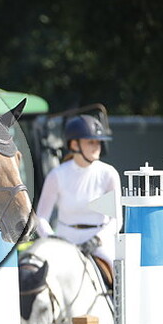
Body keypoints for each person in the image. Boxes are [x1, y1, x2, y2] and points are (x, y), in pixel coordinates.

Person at [35, 114, 122, 265]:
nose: (97, 147)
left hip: (99, 242)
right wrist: (51, 238)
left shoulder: (109, 174)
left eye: (98, 142)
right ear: (75, 145)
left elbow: (116, 220)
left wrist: (96, 240)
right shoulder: (56, 175)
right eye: (91, 142)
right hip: (64, 241)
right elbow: (41, 218)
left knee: (116, 270)